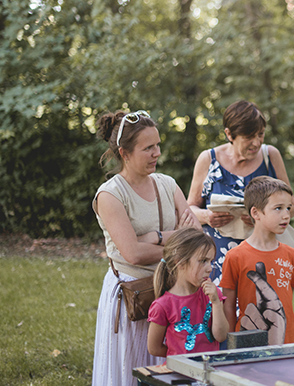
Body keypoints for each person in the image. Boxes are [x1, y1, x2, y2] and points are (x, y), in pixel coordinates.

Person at [92, 110, 201, 386]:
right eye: (148, 148)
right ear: (124, 153)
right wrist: (176, 238)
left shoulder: (168, 184)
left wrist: (153, 237)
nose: (157, 153)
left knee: (166, 371)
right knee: (130, 369)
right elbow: (133, 254)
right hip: (133, 296)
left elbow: (197, 240)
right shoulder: (110, 194)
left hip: (171, 292)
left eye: (157, 145)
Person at [187, 100, 294, 286]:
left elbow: (291, 206)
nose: (256, 142)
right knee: (220, 311)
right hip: (216, 258)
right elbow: (189, 208)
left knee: (262, 308)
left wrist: (262, 218)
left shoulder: (271, 157)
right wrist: (207, 216)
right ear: (229, 134)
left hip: (263, 254)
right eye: (248, 137)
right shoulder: (208, 159)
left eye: (260, 134)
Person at [220, 176, 294, 345]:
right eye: (278, 208)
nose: (286, 215)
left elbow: (287, 301)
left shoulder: (292, 256)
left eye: (288, 208)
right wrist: (230, 343)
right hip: (247, 340)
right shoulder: (235, 256)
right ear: (256, 213)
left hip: (287, 341)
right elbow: (228, 306)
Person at [147, 227, 228, 358]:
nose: (209, 268)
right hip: (180, 374)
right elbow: (154, 348)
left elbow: (221, 336)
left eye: (211, 261)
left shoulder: (212, 294)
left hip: (210, 371)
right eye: (203, 261)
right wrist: (179, 357)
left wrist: (216, 303)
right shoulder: (163, 305)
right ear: (179, 262)